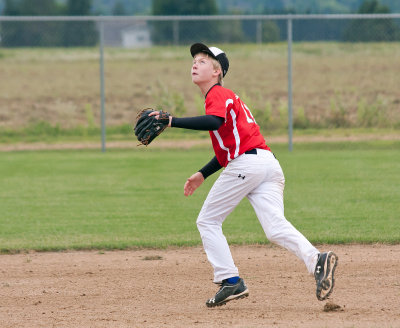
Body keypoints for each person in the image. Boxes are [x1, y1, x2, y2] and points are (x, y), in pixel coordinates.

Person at [150, 43, 338, 307]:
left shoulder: (218, 93)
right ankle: (317, 260)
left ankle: (230, 281)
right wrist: (203, 174)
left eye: (203, 61)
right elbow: (229, 147)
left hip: (248, 165)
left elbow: (214, 123)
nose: (195, 63)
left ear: (217, 72)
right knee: (274, 227)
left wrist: (172, 121)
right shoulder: (226, 98)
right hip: (266, 164)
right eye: (194, 60)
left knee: (208, 221)